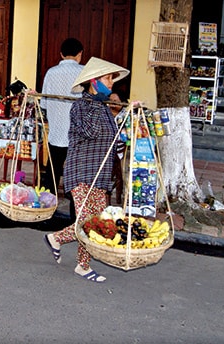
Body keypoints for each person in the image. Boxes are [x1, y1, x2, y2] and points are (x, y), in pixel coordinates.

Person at [44, 57, 130, 283]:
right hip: (81, 172)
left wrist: (127, 112)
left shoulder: (103, 107)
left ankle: (77, 259)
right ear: (94, 81)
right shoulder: (81, 106)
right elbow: (90, 132)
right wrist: (98, 101)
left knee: (95, 222)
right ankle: (69, 251)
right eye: (107, 78)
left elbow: (111, 137)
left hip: (99, 175)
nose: (111, 83)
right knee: (87, 223)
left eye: (112, 79)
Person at [39, 38, 84, 200]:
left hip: (56, 133)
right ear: (80, 54)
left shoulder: (51, 73)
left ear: (61, 54)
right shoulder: (84, 72)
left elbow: (43, 104)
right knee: (75, 172)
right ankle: (75, 206)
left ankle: (47, 205)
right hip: (77, 134)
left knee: (53, 170)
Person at [108, 91, 127, 205]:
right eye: (110, 101)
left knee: (116, 167)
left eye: (115, 101)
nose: (112, 103)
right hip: (105, 149)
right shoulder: (105, 113)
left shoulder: (124, 116)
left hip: (117, 150)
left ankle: (116, 197)